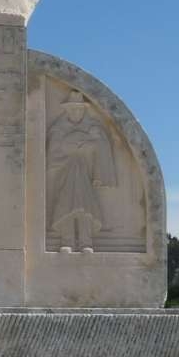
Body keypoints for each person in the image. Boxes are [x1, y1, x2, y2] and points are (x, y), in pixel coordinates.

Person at [47, 91, 117, 253]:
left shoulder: (92, 127)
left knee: (86, 208)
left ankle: (86, 241)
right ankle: (67, 241)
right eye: (72, 109)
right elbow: (54, 149)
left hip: (85, 176)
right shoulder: (59, 127)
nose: (76, 113)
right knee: (66, 207)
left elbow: (101, 147)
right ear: (67, 110)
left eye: (79, 109)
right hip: (65, 175)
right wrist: (75, 143)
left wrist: (90, 140)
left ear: (84, 110)